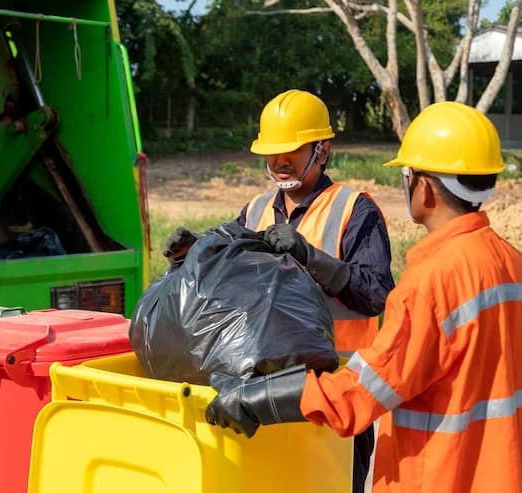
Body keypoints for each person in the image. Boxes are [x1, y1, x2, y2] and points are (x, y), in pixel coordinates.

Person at [205, 101, 522, 493]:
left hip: (434, 471)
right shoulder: (512, 263)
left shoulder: (429, 281)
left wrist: (258, 401)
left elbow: (361, 391)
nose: (281, 162)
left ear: (422, 186)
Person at [164, 89, 394, 492]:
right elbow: (227, 284)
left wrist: (311, 256)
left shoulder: (354, 210)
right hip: (260, 396)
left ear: (322, 150)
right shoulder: (254, 210)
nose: (279, 162)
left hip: (332, 394)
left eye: (291, 150)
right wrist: (194, 252)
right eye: (271, 152)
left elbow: (377, 295)